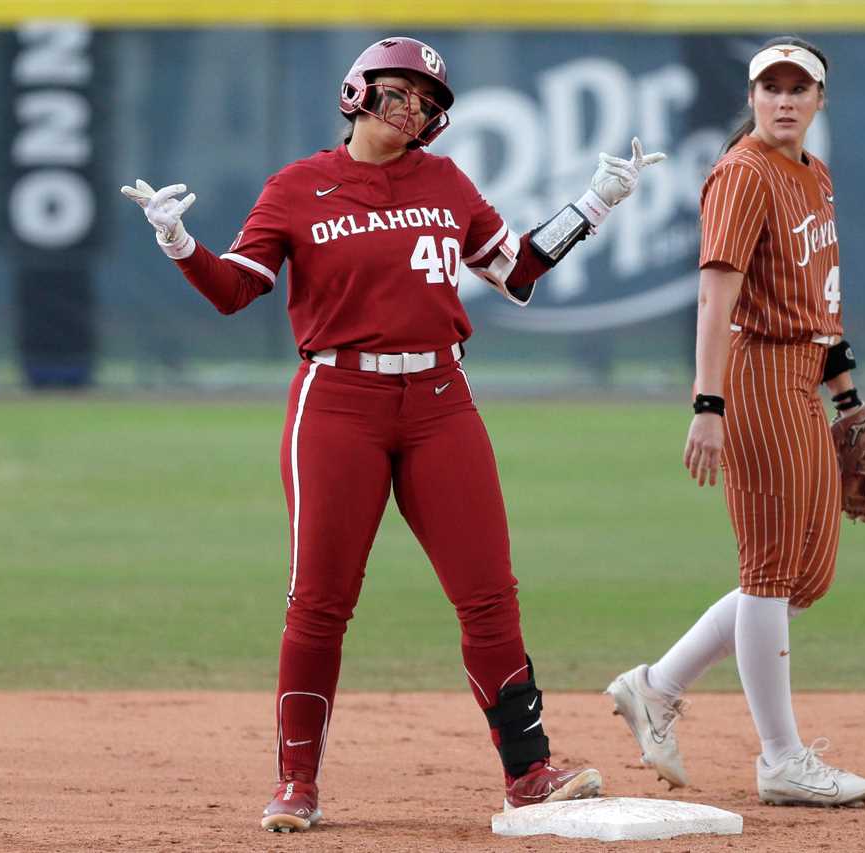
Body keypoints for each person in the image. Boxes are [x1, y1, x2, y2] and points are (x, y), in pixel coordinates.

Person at [121, 36, 664, 832]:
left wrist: (594, 204)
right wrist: (180, 245)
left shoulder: (443, 179)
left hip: (441, 396)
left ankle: (530, 772)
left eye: (426, 103)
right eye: (397, 92)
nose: (410, 109)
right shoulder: (300, 185)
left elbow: (512, 272)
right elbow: (239, 290)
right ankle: (296, 783)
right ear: (358, 90)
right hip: (338, 400)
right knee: (319, 602)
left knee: (488, 595)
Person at [606, 37, 865, 807]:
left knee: (806, 578)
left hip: (802, 375)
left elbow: (821, 302)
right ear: (754, 97)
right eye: (772, 87)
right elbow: (715, 298)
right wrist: (708, 402)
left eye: (800, 87)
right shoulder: (744, 172)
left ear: (820, 100)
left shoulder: (813, 174)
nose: (785, 99)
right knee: (768, 572)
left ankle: (655, 686)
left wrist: (849, 398)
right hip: (755, 374)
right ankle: (782, 757)